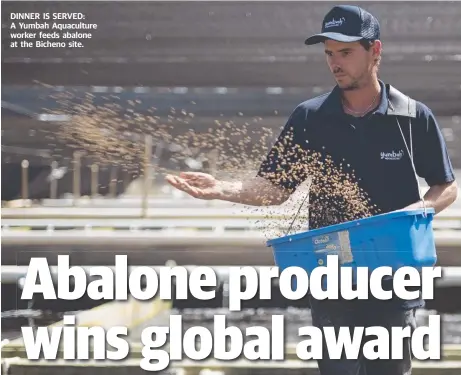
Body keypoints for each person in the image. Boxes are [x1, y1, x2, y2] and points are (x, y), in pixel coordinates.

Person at [166, 5, 458, 375]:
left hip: (393, 276)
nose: (335, 63)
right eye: (329, 54)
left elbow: (446, 185)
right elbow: (274, 189)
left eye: (346, 52)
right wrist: (220, 188)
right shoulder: (311, 118)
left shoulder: (412, 117)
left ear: (375, 51)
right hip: (332, 276)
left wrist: (419, 210)